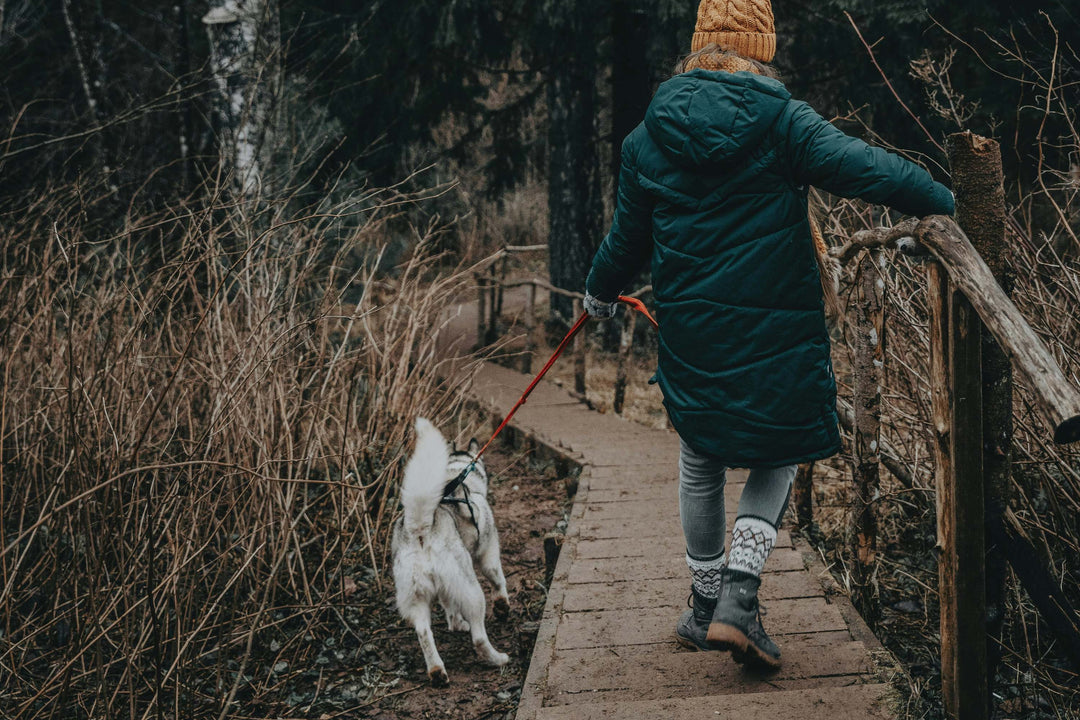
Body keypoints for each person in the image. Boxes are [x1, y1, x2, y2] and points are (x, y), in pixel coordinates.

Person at [583, 0, 954, 671]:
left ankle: (704, 607)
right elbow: (866, 168)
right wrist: (940, 199)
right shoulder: (783, 121)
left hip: (693, 335)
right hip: (776, 330)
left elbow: (625, 240)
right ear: (760, 47)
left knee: (701, 455)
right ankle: (741, 596)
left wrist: (597, 292)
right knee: (777, 449)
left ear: (698, 47)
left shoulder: (647, 137)